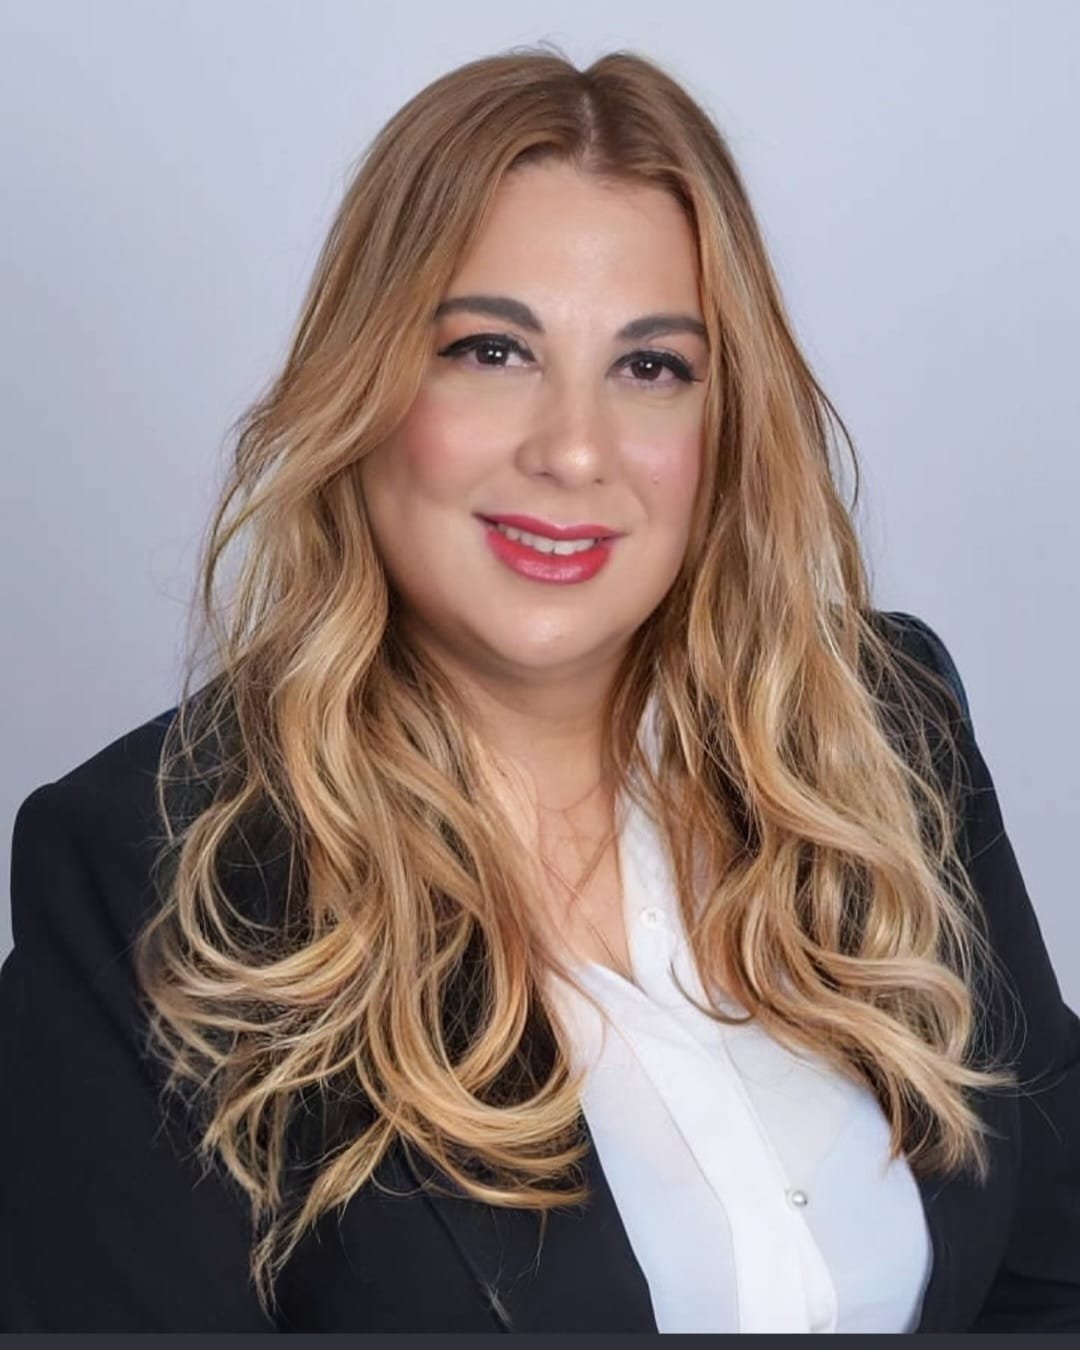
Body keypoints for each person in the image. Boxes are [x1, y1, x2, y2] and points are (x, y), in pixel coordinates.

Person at [1, 47, 1077, 1335]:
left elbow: (1050, 1273)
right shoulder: (143, 874)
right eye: (493, 350)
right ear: (366, 383)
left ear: (723, 427)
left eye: (651, 367)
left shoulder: (886, 727)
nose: (573, 449)